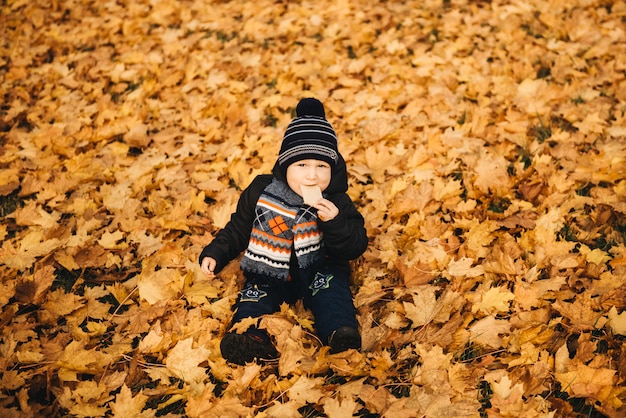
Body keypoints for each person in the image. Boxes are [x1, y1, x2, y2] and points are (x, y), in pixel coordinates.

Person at [199, 97, 368, 365]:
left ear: (333, 169)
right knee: (255, 297)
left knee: (333, 293)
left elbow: (356, 244)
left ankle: (339, 333)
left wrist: (334, 222)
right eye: (302, 165)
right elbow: (239, 228)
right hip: (270, 269)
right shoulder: (261, 192)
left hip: (319, 269)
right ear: (285, 165)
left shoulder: (336, 200)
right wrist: (216, 253)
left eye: (321, 166)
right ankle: (250, 336)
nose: (311, 176)